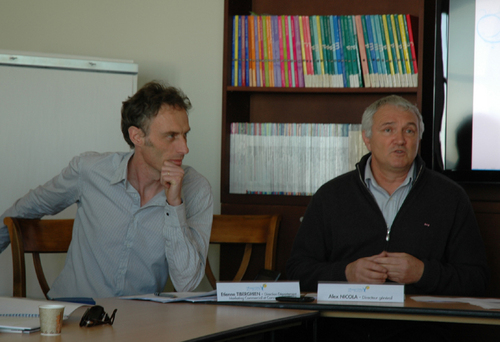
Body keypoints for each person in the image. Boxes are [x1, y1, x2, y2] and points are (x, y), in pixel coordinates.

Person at [286, 95, 489, 341]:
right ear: (367, 138)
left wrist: (423, 272)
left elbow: (477, 279)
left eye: (409, 130)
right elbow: (296, 271)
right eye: (388, 129)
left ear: (419, 138)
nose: (400, 140)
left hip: (421, 333)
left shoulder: (450, 198)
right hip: (343, 330)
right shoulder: (331, 196)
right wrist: (347, 273)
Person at [0, 81, 213, 298]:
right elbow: (29, 206)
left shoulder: (196, 189)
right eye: (171, 136)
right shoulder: (90, 171)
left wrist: (174, 204)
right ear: (137, 136)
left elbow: (186, 283)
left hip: (139, 321)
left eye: (185, 134)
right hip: (72, 314)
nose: (185, 148)